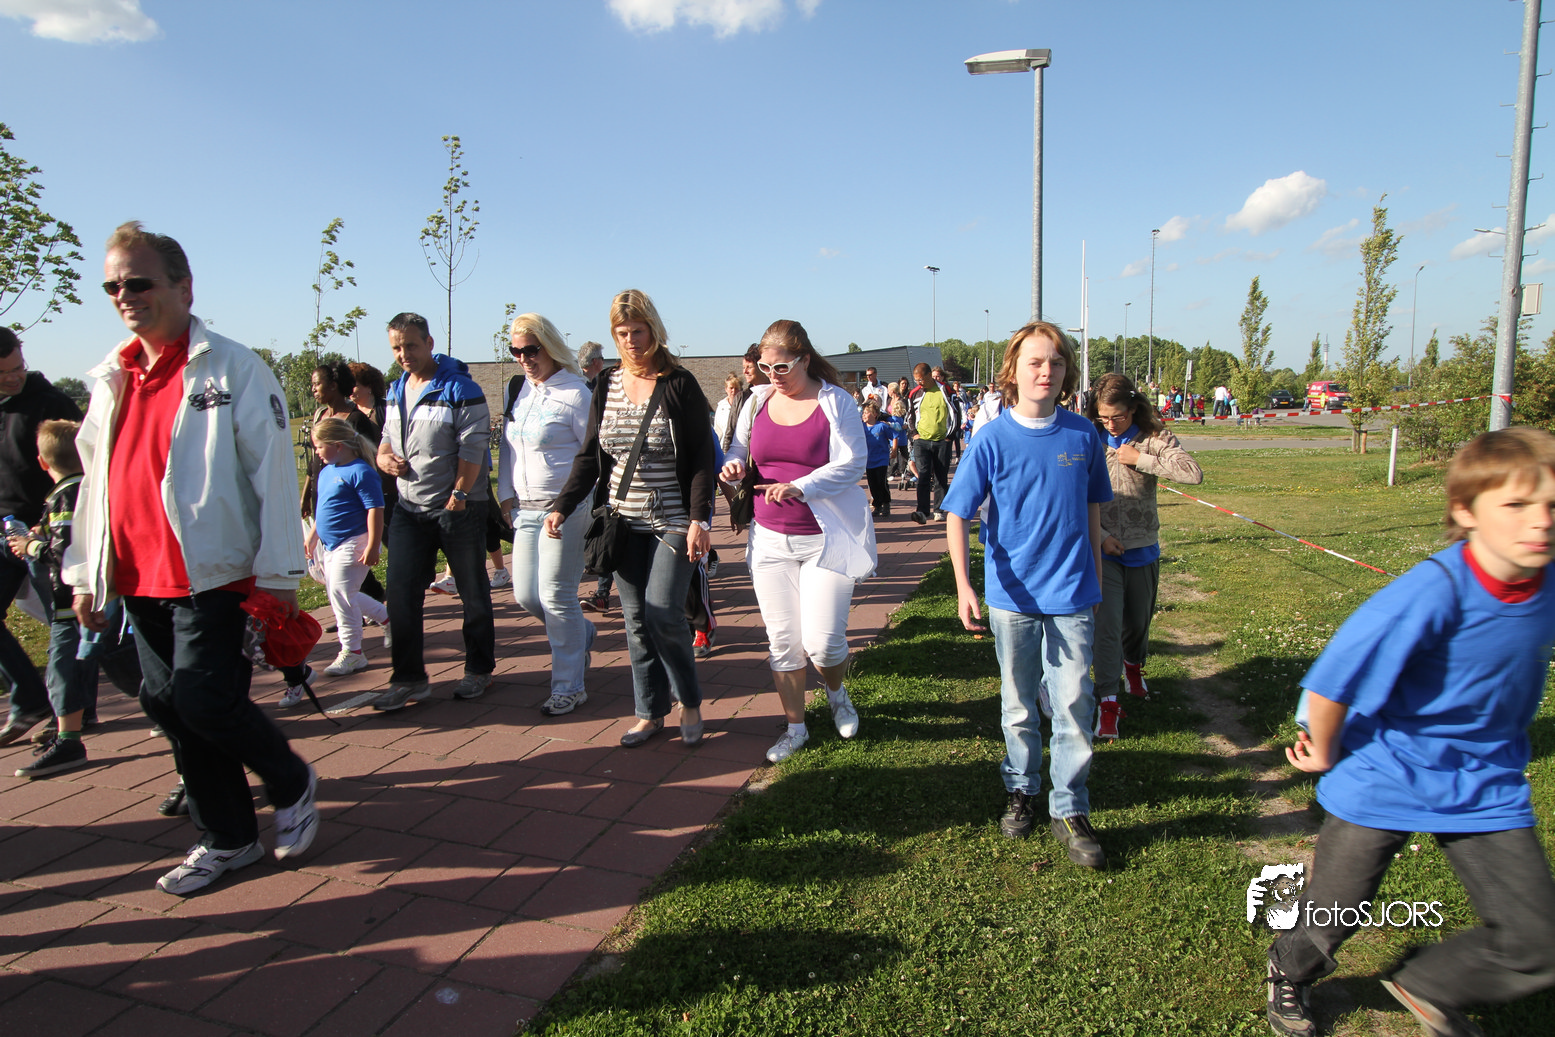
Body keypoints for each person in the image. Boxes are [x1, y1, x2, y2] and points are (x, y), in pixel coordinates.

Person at [1266, 426, 1555, 1037]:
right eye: (1516, 504)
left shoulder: (1545, 580)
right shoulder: (1433, 591)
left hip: (1484, 782)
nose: (1541, 521)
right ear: (1465, 511)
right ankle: (1289, 969)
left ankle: (1430, 985)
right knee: (1337, 909)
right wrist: (1324, 749)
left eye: (1551, 504)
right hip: (1387, 771)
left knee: (1538, 941)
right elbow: (1332, 683)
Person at [65, 221, 317, 894]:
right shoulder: (111, 377)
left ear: (183, 287)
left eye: (137, 281)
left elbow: (273, 475)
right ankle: (228, 837)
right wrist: (85, 574)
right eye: (112, 285)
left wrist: (280, 573)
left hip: (212, 572)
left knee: (204, 701)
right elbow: (94, 484)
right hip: (136, 576)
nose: (124, 295)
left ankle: (290, 778)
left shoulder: (231, 368)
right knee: (169, 706)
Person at [941, 321, 1111, 868]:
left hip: (1073, 593)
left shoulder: (1083, 435)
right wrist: (965, 585)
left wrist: (1095, 578)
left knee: (1073, 702)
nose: (1047, 372)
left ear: (1067, 373)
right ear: (1013, 370)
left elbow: (1092, 510)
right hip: (1011, 598)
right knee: (1018, 703)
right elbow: (957, 514)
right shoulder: (991, 439)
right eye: (1036, 362)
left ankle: (1070, 806)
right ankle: (1021, 787)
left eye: (1056, 363)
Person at [550, 289, 713, 747]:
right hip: (622, 522)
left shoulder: (679, 383)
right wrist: (562, 505)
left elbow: (702, 458)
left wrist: (700, 519)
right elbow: (590, 455)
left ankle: (689, 700)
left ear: (653, 330)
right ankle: (649, 712)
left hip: (673, 520)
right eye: (621, 333)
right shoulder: (606, 384)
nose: (630, 341)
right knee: (636, 620)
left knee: (663, 612)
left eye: (638, 331)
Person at [721, 319, 874, 764]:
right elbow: (737, 448)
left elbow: (854, 462)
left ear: (805, 359)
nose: (773, 376)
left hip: (826, 538)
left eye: (782, 367)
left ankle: (836, 692)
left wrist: (801, 486)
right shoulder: (755, 401)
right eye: (766, 367)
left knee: (824, 643)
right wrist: (733, 466)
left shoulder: (835, 401)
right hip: (769, 540)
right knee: (783, 641)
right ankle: (795, 729)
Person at [373, 312, 495, 709]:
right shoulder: (395, 390)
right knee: (401, 593)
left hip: (458, 507)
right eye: (396, 347)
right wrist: (383, 458)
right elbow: (386, 440)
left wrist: (459, 494)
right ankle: (408, 678)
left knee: (472, 592)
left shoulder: (461, 388)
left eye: (410, 345)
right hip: (409, 508)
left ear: (429, 343)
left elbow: (473, 446)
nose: (403, 354)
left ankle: (478, 669)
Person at [1084, 374, 1202, 741]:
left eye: (1117, 417)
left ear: (1134, 408)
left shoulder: (1154, 437)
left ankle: (1133, 665)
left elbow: (1192, 474)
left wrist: (1142, 459)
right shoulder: (1089, 439)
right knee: (1106, 628)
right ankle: (1107, 701)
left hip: (1143, 548)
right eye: (1103, 417)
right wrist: (1101, 536)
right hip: (1103, 552)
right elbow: (1071, 495)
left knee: (1137, 624)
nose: (1110, 424)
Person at [496, 313, 595, 717]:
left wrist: (567, 504)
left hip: (565, 508)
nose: (523, 359)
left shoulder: (576, 393)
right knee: (525, 595)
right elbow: (508, 447)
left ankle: (569, 686)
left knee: (556, 595)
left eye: (531, 350)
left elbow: (593, 458)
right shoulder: (519, 388)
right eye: (515, 351)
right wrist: (505, 495)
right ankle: (581, 632)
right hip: (526, 509)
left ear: (550, 347)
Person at [0, 328, 81, 745]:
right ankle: (30, 699)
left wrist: (50, 521)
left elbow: (80, 461)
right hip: (4, 528)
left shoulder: (50, 403)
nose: (15, 377)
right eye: (4, 374)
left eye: (18, 367)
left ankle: (76, 712)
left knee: (66, 625)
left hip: (47, 530)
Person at [7, 420, 95, 776]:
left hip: (69, 602)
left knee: (61, 670)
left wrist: (30, 545)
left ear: (43, 462)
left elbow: (63, 551)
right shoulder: (86, 487)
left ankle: (69, 741)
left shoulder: (64, 495)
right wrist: (43, 531)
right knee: (100, 664)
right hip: (93, 599)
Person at [305, 417, 389, 681]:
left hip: (355, 542)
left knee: (341, 594)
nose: (317, 452)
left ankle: (352, 651)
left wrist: (373, 545)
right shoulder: (327, 472)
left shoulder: (361, 472)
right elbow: (324, 508)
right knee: (342, 593)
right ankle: (388, 619)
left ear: (338, 445)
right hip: (331, 546)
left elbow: (375, 509)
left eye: (319, 446)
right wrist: (313, 536)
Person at [907, 362, 952, 523]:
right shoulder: (915, 393)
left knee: (941, 476)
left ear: (928, 376)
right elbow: (910, 415)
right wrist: (914, 433)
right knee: (923, 475)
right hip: (922, 440)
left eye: (921, 379)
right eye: (916, 380)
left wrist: (950, 435)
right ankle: (922, 511)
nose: (919, 383)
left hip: (942, 440)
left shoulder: (945, 390)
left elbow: (955, 412)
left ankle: (939, 510)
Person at [862, 400, 893, 518]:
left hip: (881, 459)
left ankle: (886, 503)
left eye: (867, 412)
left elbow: (894, 436)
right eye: (863, 412)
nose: (864, 415)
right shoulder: (862, 427)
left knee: (881, 482)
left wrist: (894, 449)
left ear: (875, 414)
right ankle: (877, 504)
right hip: (869, 460)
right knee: (872, 484)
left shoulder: (882, 426)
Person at [713, 372, 741, 446]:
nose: (733, 391)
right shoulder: (721, 406)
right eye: (731, 388)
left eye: (736, 388)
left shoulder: (744, 405)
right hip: (724, 445)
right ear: (726, 389)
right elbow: (717, 430)